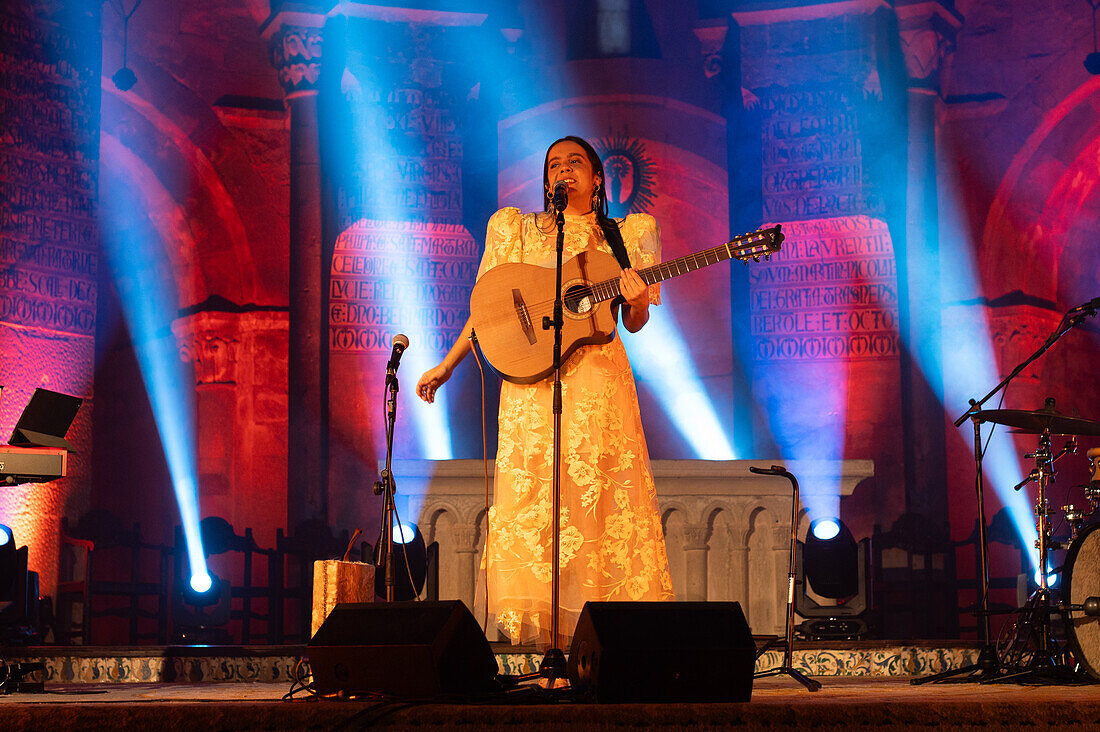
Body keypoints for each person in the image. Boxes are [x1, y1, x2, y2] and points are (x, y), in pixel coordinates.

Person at [416, 136, 674, 647]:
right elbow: (490, 312)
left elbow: (637, 321)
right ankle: (551, 647)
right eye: (553, 163)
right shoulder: (514, 229)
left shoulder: (628, 235)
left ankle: (597, 647)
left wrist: (637, 299)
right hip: (532, 388)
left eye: (574, 162)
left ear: (597, 177)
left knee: (591, 506)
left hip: (597, 384)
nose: (563, 170)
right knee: (540, 507)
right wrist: (448, 366)